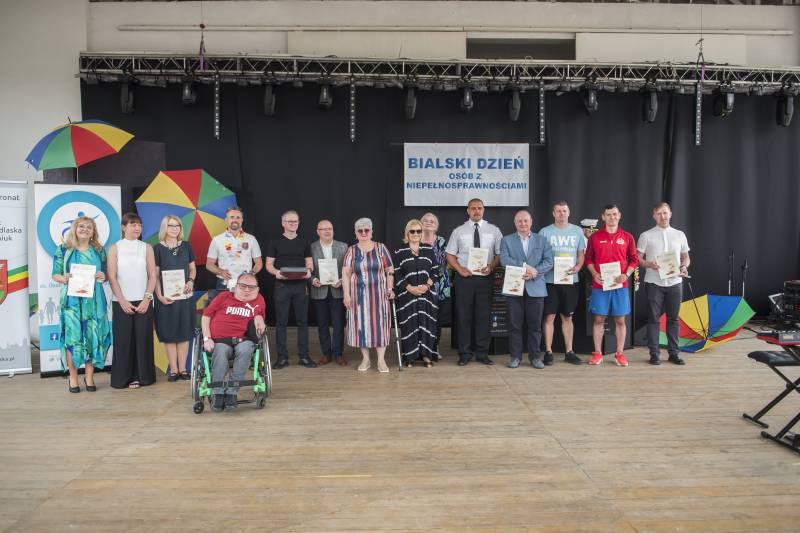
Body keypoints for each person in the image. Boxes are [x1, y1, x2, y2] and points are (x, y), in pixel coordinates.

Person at [51, 216, 112, 393]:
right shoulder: (63, 249)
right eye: (81, 226)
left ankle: (89, 376)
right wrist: (63, 278)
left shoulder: (99, 250)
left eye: (89, 227)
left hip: (93, 301)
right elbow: (55, 274)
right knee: (73, 339)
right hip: (72, 303)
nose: (85, 229)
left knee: (92, 337)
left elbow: (106, 274)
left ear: (93, 232)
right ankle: (73, 377)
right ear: (75, 229)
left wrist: (103, 276)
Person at [445, 198, 503, 366]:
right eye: (473, 208)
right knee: (464, 317)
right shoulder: (458, 231)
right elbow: (449, 254)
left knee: (483, 317)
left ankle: (482, 353)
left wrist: (491, 266)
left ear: (483, 210)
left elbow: (499, 253)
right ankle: (464, 353)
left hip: (485, 278)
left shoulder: (494, 230)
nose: (477, 211)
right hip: (465, 278)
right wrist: (459, 269)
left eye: (479, 208)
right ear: (468, 211)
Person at [201, 272, 266, 412]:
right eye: (243, 286)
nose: (247, 290)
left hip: (243, 340)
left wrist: (259, 317)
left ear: (257, 289)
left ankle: (232, 392)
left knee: (246, 349)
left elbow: (260, 316)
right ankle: (218, 392)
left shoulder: (259, 300)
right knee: (221, 351)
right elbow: (206, 316)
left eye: (251, 287)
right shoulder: (223, 297)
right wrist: (207, 338)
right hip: (219, 341)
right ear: (235, 287)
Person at [107, 213, 157, 389]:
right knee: (123, 340)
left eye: (140, 225)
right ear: (123, 227)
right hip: (121, 302)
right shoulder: (114, 248)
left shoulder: (146, 248)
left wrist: (147, 299)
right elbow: (111, 277)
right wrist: (122, 301)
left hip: (144, 301)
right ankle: (122, 378)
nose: (137, 228)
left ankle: (143, 376)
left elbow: (152, 276)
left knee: (143, 339)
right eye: (133, 224)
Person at [637, 202, 691, 365]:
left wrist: (684, 267)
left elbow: (686, 257)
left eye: (665, 213)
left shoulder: (679, 235)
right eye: (659, 213)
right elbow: (638, 259)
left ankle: (674, 353)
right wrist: (649, 264)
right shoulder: (646, 235)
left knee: (673, 319)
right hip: (654, 282)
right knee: (653, 319)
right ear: (654, 216)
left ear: (670, 214)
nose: (663, 216)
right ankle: (654, 354)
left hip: (675, 282)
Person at [584, 204, 639, 366]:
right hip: (600, 285)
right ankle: (597, 353)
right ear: (603, 217)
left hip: (620, 286)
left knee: (620, 320)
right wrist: (594, 274)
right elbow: (588, 259)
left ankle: (619, 353)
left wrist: (626, 274)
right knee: (598, 319)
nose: (612, 217)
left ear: (619, 215)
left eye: (614, 214)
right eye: (608, 214)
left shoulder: (627, 237)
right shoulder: (595, 237)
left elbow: (634, 260)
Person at [500, 210, 553, 369]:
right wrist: (525, 266)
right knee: (514, 325)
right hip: (514, 288)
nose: (523, 223)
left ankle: (535, 357)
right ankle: (515, 357)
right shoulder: (506, 240)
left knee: (535, 326)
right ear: (515, 223)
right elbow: (504, 260)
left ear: (531, 222)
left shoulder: (542, 240)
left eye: (525, 221)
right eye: (519, 221)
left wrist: (535, 272)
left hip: (536, 288)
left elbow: (549, 261)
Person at [342, 218, 395, 372]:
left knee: (380, 326)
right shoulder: (351, 250)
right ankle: (366, 360)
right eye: (360, 230)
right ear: (356, 233)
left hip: (379, 295)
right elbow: (345, 274)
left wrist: (390, 288)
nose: (363, 233)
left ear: (372, 232)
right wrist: (346, 294)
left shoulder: (381, 248)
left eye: (367, 230)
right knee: (361, 326)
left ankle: (381, 360)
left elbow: (390, 269)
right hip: (358, 296)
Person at [266, 210, 316, 369]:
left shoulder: (305, 242)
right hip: (282, 285)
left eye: (295, 221)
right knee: (281, 322)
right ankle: (282, 357)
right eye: (290, 221)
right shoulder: (275, 242)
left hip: (301, 286)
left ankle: (304, 356)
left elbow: (309, 263)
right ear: (283, 223)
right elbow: (269, 265)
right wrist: (277, 273)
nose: (293, 224)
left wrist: (309, 271)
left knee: (303, 322)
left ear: (298, 223)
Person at [539, 201, 586, 365]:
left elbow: (581, 254)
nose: (561, 214)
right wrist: (548, 266)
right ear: (553, 213)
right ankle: (548, 352)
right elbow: (539, 255)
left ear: (569, 212)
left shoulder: (577, 231)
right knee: (549, 317)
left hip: (570, 280)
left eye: (564, 211)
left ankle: (569, 352)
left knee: (567, 316)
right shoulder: (545, 232)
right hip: (550, 281)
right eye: (558, 211)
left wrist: (578, 267)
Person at [153, 215, 197, 381]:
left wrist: (191, 281)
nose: (174, 229)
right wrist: (159, 295)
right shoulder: (157, 248)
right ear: (164, 227)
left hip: (185, 297)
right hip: (166, 298)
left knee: (184, 332)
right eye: (171, 226)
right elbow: (155, 276)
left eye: (177, 226)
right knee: (169, 333)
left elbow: (192, 268)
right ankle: (173, 370)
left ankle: (183, 369)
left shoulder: (186, 246)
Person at [394, 219, 439, 367]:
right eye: (412, 231)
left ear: (422, 233)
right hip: (407, 295)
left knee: (427, 325)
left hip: (427, 295)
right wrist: (409, 288)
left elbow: (435, 270)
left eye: (418, 231)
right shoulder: (399, 251)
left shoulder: (428, 249)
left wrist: (427, 285)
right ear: (407, 233)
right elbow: (396, 273)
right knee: (409, 325)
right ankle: (410, 356)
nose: (415, 234)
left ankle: (427, 355)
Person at [310, 219, 348, 365]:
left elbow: (348, 269)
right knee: (322, 325)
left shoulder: (343, 247)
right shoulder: (311, 248)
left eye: (330, 229)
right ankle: (326, 353)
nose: (327, 231)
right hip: (319, 291)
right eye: (324, 229)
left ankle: (338, 353)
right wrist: (313, 280)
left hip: (338, 291)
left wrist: (342, 280)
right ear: (317, 231)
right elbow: (307, 270)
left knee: (339, 324)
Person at [206, 206, 263, 294]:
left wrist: (251, 273)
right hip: (225, 283)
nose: (235, 220)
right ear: (226, 220)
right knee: (224, 304)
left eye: (238, 217)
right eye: (232, 217)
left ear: (242, 220)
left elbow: (259, 263)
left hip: (246, 283)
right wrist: (221, 272)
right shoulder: (217, 239)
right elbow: (209, 264)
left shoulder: (251, 239)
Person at [421, 212, 451, 360]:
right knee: (421, 318)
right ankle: (419, 349)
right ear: (420, 223)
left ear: (436, 226)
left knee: (436, 319)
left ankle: (434, 347)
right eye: (425, 220)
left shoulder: (442, 241)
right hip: (419, 284)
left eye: (432, 221)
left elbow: (448, 262)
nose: (428, 223)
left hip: (440, 286)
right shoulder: (415, 238)